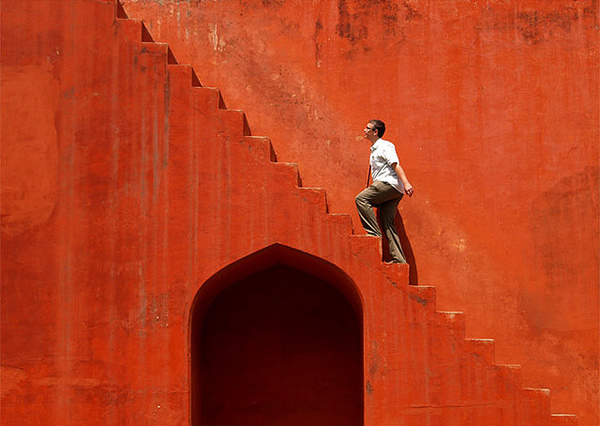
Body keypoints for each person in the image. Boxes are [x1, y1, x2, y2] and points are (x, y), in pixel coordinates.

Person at [355, 119, 414, 264]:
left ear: (375, 132)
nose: (364, 130)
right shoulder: (375, 148)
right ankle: (399, 260)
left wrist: (406, 183)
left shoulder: (385, 146)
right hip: (393, 188)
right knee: (387, 222)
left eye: (367, 128)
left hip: (389, 184)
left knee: (361, 199)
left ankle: (374, 235)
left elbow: (395, 164)